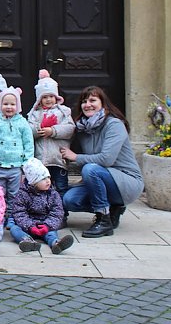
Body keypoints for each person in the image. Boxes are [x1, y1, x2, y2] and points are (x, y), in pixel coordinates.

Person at [60, 86, 144, 238]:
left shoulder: (114, 124)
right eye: (84, 101)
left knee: (90, 169)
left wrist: (76, 157)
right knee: (69, 200)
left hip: (127, 181)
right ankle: (113, 208)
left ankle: (103, 219)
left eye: (93, 100)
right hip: (102, 176)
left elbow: (106, 159)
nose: (87, 104)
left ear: (103, 104)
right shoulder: (83, 129)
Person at [0, 86, 34, 225]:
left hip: (16, 166)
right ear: (0, 105)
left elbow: (28, 143)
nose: (9, 107)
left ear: (17, 105)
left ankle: (12, 217)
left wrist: (26, 163)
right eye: (5, 104)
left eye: (12, 104)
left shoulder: (22, 122)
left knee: (14, 194)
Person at [10, 158, 75, 254]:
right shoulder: (22, 194)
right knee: (14, 229)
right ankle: (28, 242)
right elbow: (19, 213)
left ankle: (55, 244)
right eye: (43, 179)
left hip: (45, 224)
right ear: (33, 182)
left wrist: (47, 225)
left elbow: (57, 213)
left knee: (52, 233)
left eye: (48, 177)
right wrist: (30, 226)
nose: (48, 181)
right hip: (28, 225)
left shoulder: (53, 194)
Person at [27, 69, 75, 198]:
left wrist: (53, 131)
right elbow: (28, 131)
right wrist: (40, 129)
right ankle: (44, 211)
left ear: (56, 97)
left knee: (60, 187)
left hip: (58, 159)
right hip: (41, 159)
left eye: (51, 96)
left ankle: (62, 213)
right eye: (44, 97)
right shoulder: (35, 114)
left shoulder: (63, 112)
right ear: (39, 99)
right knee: (41, 187)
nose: (48, 100)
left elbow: (70, 129)